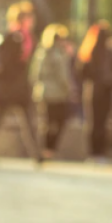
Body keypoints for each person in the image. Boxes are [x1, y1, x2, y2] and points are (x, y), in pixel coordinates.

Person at [0, 2, 41, 165]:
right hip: (7, 87)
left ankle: (37, 154)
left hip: (18, 87)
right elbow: (6, 63)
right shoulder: (12, 37)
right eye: (29, 17)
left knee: (27, 120)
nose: (32, 20)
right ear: (23, 19)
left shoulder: (27, 38)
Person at [77, 22, 112, 161]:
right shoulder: (109, 53)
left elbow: (80, 72)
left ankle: (94, 152)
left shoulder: (89, 52)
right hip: (105, 91)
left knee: (94, 122)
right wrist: (111, 80)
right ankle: (100, 152)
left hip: (94, 91)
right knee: (102, 122)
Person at [30, 23, 74, 160]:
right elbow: (63, 76)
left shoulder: (41, 52)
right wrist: (70, 89)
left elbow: (34, 75)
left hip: (43, 92)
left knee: (47, 122)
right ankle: (49, 150)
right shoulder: (57, 53)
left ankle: (45, 150)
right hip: (57, 93)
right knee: (58, 121)